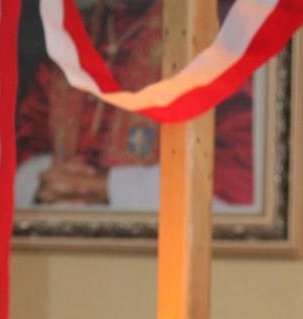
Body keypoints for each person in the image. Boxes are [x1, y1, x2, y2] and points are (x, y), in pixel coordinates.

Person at [15, 0, 254, 211]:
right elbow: (22, 147)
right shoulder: (66, 37)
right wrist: (44, 181)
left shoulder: (210, 34)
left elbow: (237, 176)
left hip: (155, 239)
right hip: (60, 237)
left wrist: (108, 187)